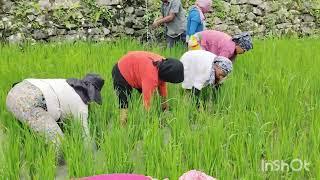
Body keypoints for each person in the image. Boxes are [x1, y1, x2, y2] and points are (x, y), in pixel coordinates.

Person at [6, 74, 104, 151]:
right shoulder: (81, 105)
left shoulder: (66, 83)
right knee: (59, 146)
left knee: (26, 137)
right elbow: (84, 135)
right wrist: (93, 153)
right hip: (29, 102)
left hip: (14, 92)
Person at [112, 51, 184, 126]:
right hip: (121, 70)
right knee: (124, 106)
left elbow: (163, 88)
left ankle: (140, 117)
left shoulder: (165, 65)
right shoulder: (151, 77)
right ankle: (122, 128)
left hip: (137, 68)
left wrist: (165, 109)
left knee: (152, 95)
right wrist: (150, 124)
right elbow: (147, 105)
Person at [188, 30, 253, 62]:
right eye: (244, 49)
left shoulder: (233, 47)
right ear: (239, 45)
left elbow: (229, 63)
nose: (244, 52)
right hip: (196, 40)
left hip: (199, 39)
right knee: (200, 64)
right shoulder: (229, 48)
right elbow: (220, 64)